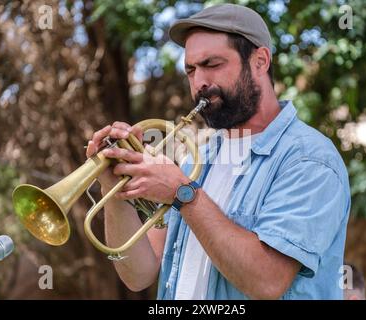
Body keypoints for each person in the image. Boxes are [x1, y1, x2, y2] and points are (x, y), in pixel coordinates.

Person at [86, 4, 351, 299]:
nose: (199, 82)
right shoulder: (199, 160)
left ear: (260, 61)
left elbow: (267, 281)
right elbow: (139, 275)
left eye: (212, 64)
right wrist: (115, 189)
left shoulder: (309, 159)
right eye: (190, 70)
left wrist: (183, 194)